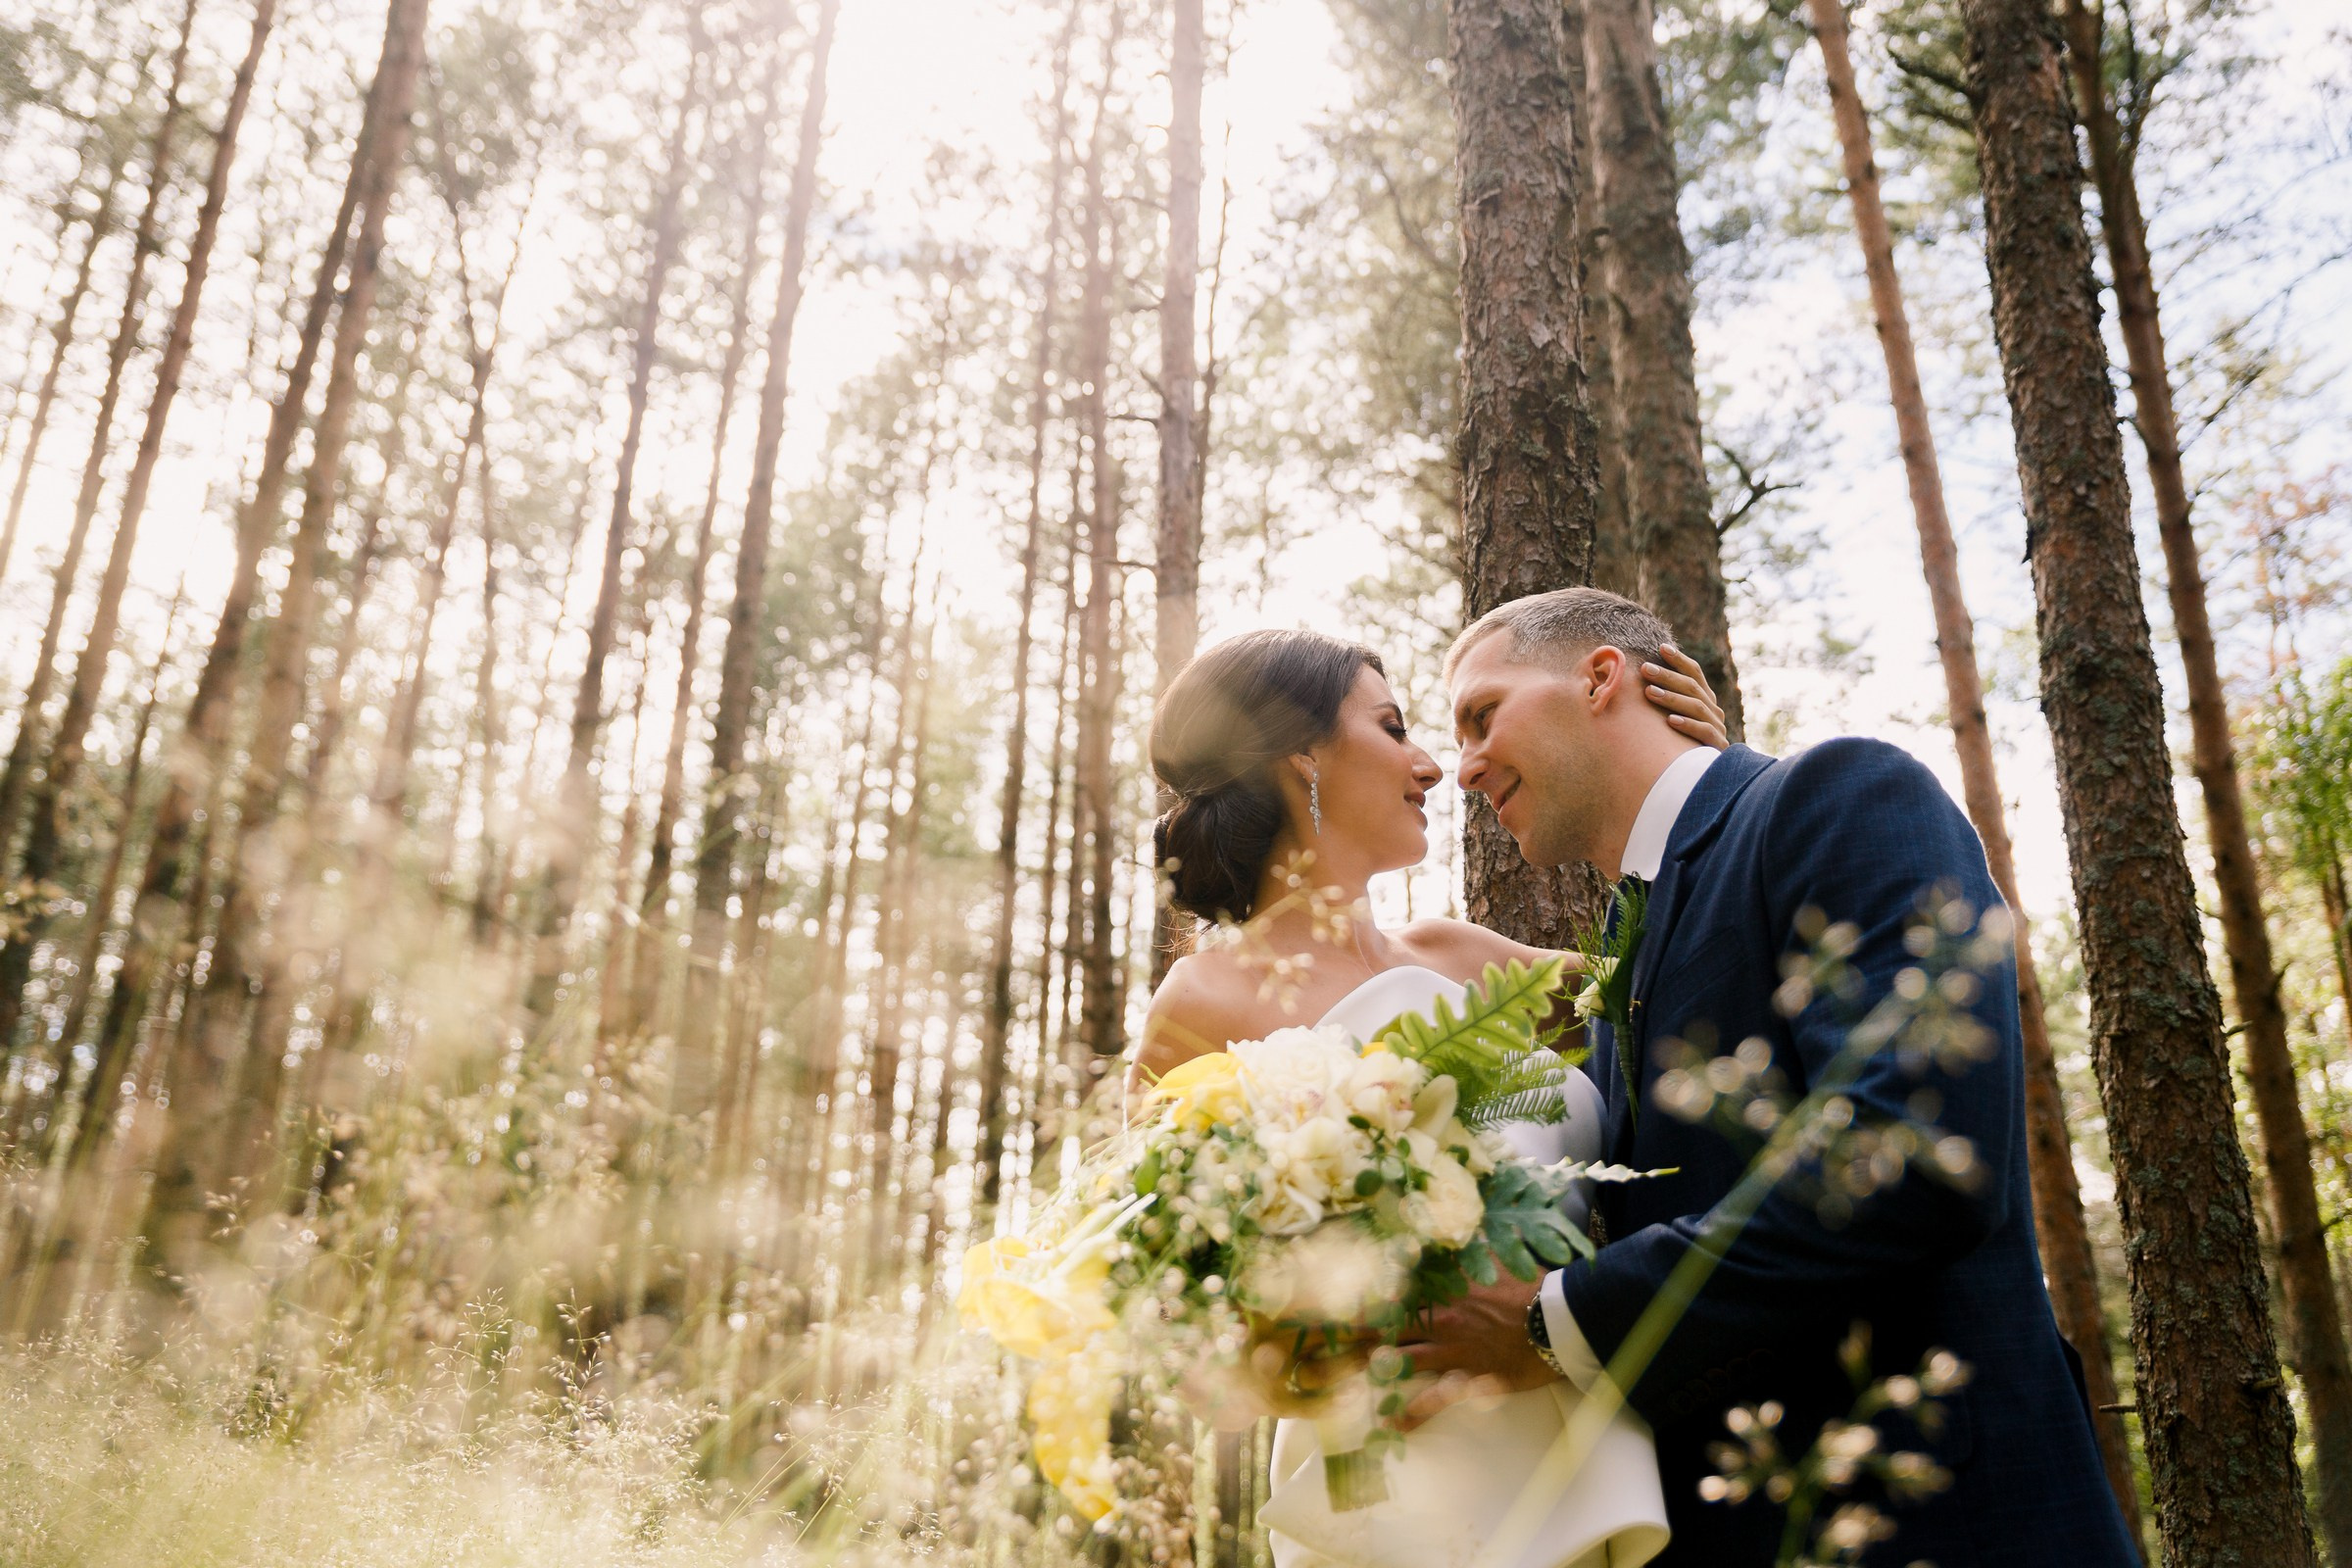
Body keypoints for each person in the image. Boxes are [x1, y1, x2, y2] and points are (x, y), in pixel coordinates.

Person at [1414, 586, 2141, 1566]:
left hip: (1938, 1521)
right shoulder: (1628, 949)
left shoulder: (1837, 797)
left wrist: (1556, 1320)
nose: (1461, 767)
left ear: (1599, 678)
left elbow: (1912, 1157)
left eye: (1480, 714)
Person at [1139, 627, 1726, 1568]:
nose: (1430, 767)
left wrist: (1701, 784)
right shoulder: (1204, 1000)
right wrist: (1311, 1358)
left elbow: (1690, 985)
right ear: (1302, 757)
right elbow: (1170, 1294)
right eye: (1393, 726)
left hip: (1583, 1441)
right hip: (1395, 1492)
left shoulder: (1463, 957)